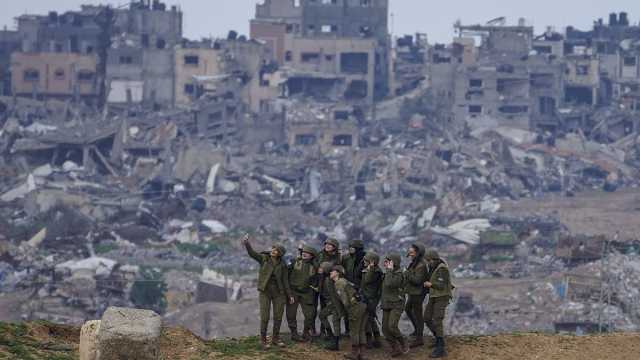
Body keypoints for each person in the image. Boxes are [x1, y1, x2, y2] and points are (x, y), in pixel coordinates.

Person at [242, 234, 294, 349]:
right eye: (273, 249)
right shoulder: (264, 258)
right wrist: (247, 243)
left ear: (279, 253)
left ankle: (275, 338)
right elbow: (252, 254)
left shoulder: (283, 264)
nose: (273, 251)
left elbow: (285, 281)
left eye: (276, 250)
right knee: (265, 316)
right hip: (265, 291)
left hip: (279, 293)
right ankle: (263, 340)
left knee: (278, 316)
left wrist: (289, 295)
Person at [331, 265, 368, 360]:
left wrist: (347, 311)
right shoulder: (346, 281)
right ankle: (363, 354)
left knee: (354, 331)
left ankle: (354, 353)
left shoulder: (339, 283)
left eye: (333, 271)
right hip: (363, 305)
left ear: (338, 273)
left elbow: (345, 301)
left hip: (355, 308)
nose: (331, 272)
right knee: (361, 330)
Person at [423, 249, 453, 358]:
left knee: (437, 320)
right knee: (426, 317)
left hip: (441, 296)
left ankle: (441, 347)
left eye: (429, 260)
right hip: (434, 296)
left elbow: (440, 285)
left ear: (434, 259)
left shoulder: (442, 269)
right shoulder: (433, 267)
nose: (428, 262)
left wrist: (430, 284)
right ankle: (438, 338)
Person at [287, 245, 319, 342]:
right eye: (304, 252)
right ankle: (294, 334)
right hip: (293, 291)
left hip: (307, 293)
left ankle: (306, 332)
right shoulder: (295, 262)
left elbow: (317, 278)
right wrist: (288, 292)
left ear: (312, 256)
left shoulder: (314, 267)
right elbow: (286, 273)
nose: (305, 254)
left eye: (308, 253)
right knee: (291, 314)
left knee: (310, 315)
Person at [381, 253, 408, 357]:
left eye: (387, 261)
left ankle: (403, 342)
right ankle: (395, 348)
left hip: (397, 304)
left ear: (394, 263)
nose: (385, 263)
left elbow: (390, 284)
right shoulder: (388, 273)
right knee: (385, 329)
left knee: (392, 326)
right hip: (387, 304)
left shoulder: (399, 274)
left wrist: (389, 270)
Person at [404, 243, 429, 347]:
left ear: (418, 253)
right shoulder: (415, 262)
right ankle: (417, 330)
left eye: (412, 251)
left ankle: (419, 339)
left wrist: (407, 273)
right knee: (408, 309)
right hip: (413, 292)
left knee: (418, 315)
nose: (410, 252)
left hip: (418, 293)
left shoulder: (421, 265)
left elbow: (417, 280)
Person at [317, 261, 342, 351]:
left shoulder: (327, 281)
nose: (319, 269)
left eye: (321, 268)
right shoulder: (323, 278)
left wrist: (338, 309)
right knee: (322, 315)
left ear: (325, 270)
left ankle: (335, 343)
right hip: (331, 304)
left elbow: (333, 295)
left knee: (335, 323)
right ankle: (331, 335)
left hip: (334, 305)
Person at [361, 252, 383, 349]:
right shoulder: (369, 269)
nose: (364, 262)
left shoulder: (376, 271)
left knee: (368, 319)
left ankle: (371, 339)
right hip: (366, 297)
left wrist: (370, 268)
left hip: (371, 298)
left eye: (366, 260)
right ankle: (376, 339)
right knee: (370, 318)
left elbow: (367, 280)